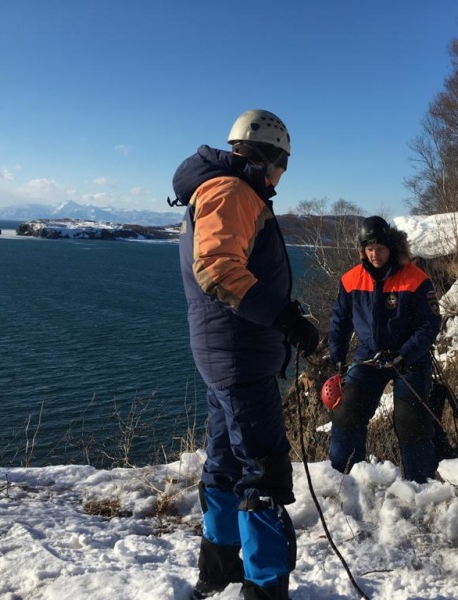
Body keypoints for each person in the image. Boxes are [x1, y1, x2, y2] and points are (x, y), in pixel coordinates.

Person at [171, 109, 319, 600]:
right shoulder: (232, 191)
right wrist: (286, 318)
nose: (281, 177)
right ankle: (262, 590)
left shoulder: (222, 187)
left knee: (224, 465)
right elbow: (215, 268)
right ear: (270, 156)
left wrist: (279, 313)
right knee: (265, 474)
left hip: (227, 354)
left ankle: (218, 578)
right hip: (241, 356)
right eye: (283, 166)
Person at [327, 216, 442, 483]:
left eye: (380, 248)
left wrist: (405, 354)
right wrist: (337, 356)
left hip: (410, 358)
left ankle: (419, 484)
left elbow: (430, 324)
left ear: (391, 247)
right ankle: (345, 479)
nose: (375, 254)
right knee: (348, 412)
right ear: (362, 250)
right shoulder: (351, 280)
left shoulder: (416, 279)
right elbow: (339, 320)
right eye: (369, 249)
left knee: (410, 420)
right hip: (369, 355)